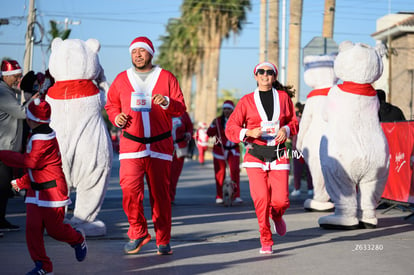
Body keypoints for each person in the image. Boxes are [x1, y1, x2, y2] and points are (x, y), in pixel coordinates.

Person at [105, 36, 186, 256]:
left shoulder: (166, 77)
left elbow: (180, 107)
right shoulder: (122, 79)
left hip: (160, 145)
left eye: (142, 51)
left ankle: (163, 239)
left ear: (151, 53)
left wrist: (167, 102)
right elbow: (111, 104)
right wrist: (115, 117)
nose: (138, 55)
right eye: (134, 52)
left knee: (161, 196)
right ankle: (138, 232)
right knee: (130, 191)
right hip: (131, 145)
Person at [0, 98, 87, 274]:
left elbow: (31, 162)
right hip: (36, 191)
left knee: (55, 231)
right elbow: (38, 169)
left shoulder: (42, 139)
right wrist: (21, 183)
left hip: (52, 192)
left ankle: (77, 239)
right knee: (32, 230)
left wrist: (3, 154)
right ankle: (43, 266)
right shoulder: (38, 134)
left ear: (32, 120)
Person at [225, 61, 299, 254]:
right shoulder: (246, 101)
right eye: (261, 72)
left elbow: (293, 121)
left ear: (274, 76)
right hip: (255, 154)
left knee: (281, 201)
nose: (265, 75)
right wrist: (248, 132)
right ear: (255, 76)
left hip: (278, 153)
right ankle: (265, 238)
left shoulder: (283, 98)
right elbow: (230, 128)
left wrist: (286, 129)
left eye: (269, 72)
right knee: (261, 199)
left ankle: (277, 215)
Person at [0, 59, 26, 232]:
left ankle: (1, 220)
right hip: (2, 150)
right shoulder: (3, 93)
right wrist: (34, 98)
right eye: (16, 76)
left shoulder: (9, 91)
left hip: (7, 150)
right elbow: (22, 113)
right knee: (1, 188)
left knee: (4, 190)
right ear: (6, 76)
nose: (18, 79)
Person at [207, 100, 243, 204]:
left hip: (233, 150)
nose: (226, 111)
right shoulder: (218, 121)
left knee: (235, 172)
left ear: (232, 110)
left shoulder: (238, 120)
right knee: (220, 173)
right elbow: (209, 133)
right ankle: (219, 195)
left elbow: (242, 134)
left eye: (229, 109)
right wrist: (213, 125)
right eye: (225, 109)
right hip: (220, 150)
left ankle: (236, 195)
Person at [290, 102, 313, 196]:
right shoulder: (311, 121)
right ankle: (311, 189)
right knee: (310, 170)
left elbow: (291, 134)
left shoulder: (296, 121)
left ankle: (297, 189)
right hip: (309, 147)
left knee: (297, 170)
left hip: (297, 148)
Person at [171, 111, 194, 203]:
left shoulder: (183, 114)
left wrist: (188, 133)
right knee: (163, 174)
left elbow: (190, 127)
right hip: (164, 147)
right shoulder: (162, 111)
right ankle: (161, 196)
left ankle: (170, 197)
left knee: (174, 174)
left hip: (180, 147)